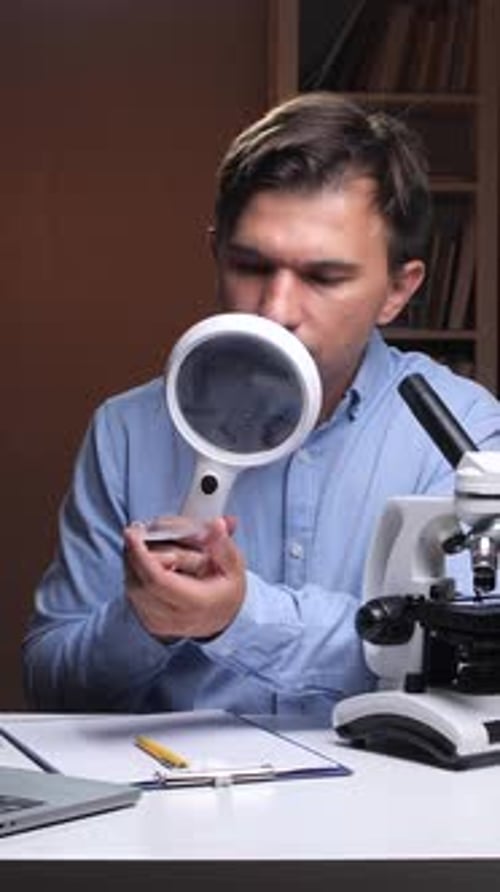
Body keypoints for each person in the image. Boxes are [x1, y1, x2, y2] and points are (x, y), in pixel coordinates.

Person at [23, 92, 500, 720]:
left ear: (398, 290)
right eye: (250, 265)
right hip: (176, 806)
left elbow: (468, 664)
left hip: (382, 805)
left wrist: (239, 617)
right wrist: (140, 623)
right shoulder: (129, 431)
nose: (275, 309)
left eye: (323, 277)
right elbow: (51, 683)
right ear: (216, 252)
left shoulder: (463, 434)